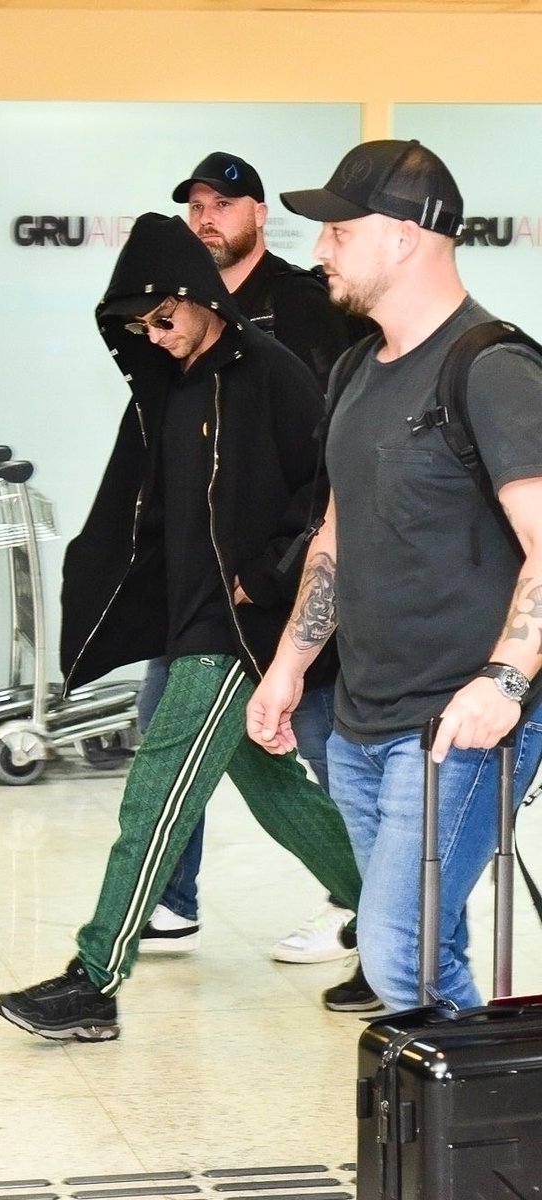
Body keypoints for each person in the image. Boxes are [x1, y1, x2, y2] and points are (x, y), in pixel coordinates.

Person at [0, 211, 362, 1041]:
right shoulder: (168, 388)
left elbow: (328, 493)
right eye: (137, 327)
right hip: (191, 619)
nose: (152, 336)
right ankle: (390, 924)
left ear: (196, 298)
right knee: (277, 797)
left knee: (154, 793)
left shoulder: (267, 371)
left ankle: (95, 978)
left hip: (240, 628)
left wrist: (262, 581)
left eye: (163, 318)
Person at [246, 138, 542, 1012]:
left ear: (406, 236)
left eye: (340, 227)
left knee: (396, 949)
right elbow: (338, 532)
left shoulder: (492, 370)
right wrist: (291, 664)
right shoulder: (353, 370)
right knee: (419, 946)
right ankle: (460, 1137)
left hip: (458, 724)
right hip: (359, 719)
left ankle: (473, 1135)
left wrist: (504, 681)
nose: (320, 246)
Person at [136, 152, 376, 1008]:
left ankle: (362, 908)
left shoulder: (307, 304)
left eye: (221, 204)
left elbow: (326, 450)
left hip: (286, 572)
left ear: (257, 213)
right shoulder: (184, 306)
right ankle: (170, 898)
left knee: (310, 739)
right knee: (167, 721)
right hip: (203, 575)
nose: (206, 218)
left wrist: (278, 569)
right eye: (195, 205)